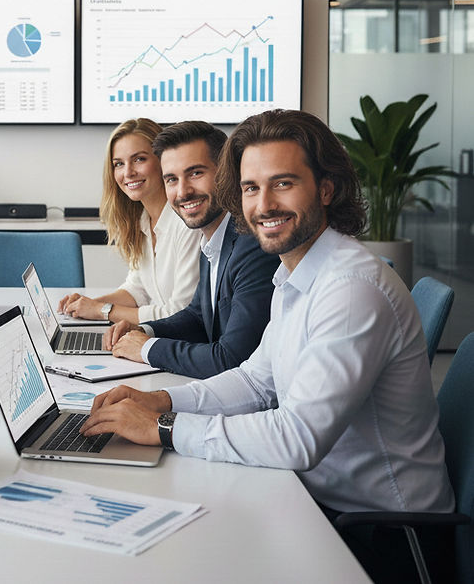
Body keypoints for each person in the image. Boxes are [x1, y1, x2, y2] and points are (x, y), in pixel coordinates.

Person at [81, 109, 454, 582]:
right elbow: (255, 381)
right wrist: (160, 399)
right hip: (313, 500)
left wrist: (164, 426)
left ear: (325, 188)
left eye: (283, 183)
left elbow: (299, 439)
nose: (263, 205)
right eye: (251, 188)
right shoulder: (295, 272)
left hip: (384, 536)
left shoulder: (352, 288)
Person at [101, 121, 278, 378]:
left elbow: (232, 359)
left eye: (195, 173)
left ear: (226, 173)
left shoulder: (252, 245)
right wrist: (146, 330)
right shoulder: (213, 238)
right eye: (172, 179)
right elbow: (197, 316)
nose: (182, 191)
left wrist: (147, 348)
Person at [58, 117, 200, 324]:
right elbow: (137, 290)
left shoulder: (187, 223)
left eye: (139, 159)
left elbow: (179, 312)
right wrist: (86, 305)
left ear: (163, 160)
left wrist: (102, 310)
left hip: (183, 343)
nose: (128, 173)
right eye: (118, 164)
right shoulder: (142, 220)